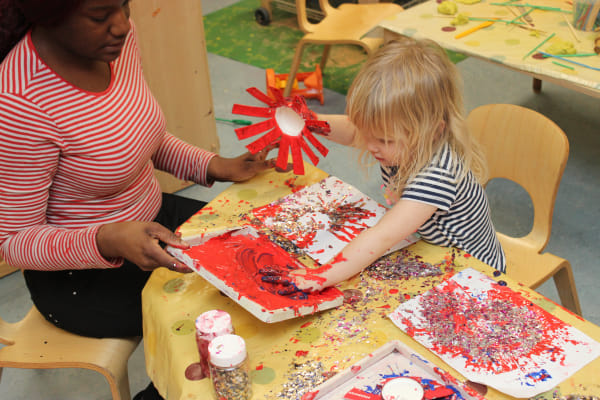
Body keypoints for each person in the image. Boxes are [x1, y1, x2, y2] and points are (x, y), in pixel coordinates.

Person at [0, 0, 273, 398]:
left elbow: (140, 136)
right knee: (234, 311)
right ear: (48, 14)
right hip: (82, 277)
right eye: (99, 16)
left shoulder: (115, 46)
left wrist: (214, 165)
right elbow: (14, 241)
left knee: (264, 251)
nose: (123, 25)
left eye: (125, 6)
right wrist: (106, 240)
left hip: (152, 220)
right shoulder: (18, 102)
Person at [265, 37, 506, 292]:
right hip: (429, 249)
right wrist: (311, 122)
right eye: (368, 132)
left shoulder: (437, 175)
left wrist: (323, 276)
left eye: (383, 139)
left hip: (473, 274)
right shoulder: (403, 141)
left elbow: (383, 236)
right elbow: (352, 132)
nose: (369, 145)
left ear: (433, 131)